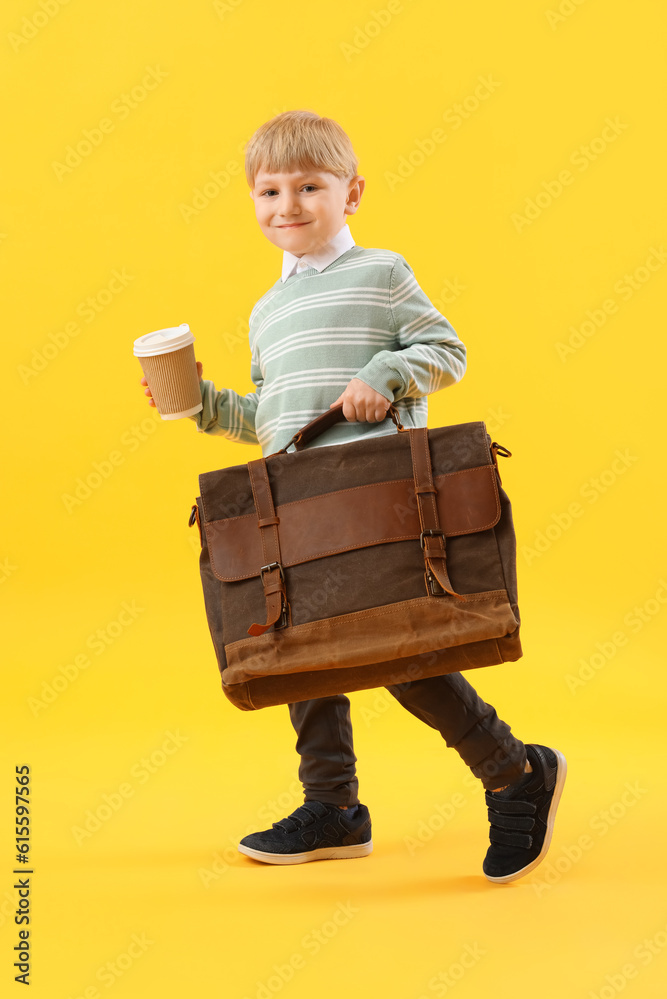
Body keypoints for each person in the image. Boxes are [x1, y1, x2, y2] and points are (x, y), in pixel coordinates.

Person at [140, 110, 566, 883]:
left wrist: (387, 375)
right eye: (269, 191)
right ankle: (332, 807)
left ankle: (515, 773)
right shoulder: (266, 311)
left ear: (351, 192)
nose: (287, 205)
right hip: (297, 511)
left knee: (404, 647)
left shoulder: (381, 271)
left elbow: (445, 350)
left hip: (377, 500)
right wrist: (202, 404)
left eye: (309, 186)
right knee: (300, 654)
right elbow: (275, 421)